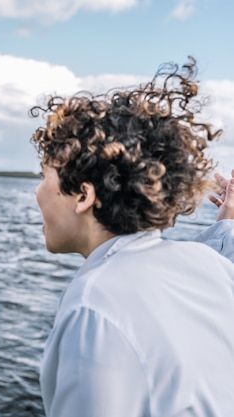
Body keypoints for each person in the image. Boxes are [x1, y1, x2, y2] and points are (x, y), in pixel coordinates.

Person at [29, 58, 234, 416]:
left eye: (44, 176)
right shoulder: (209, 265)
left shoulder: (93, 305)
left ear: (83, 196)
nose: (36, 192)